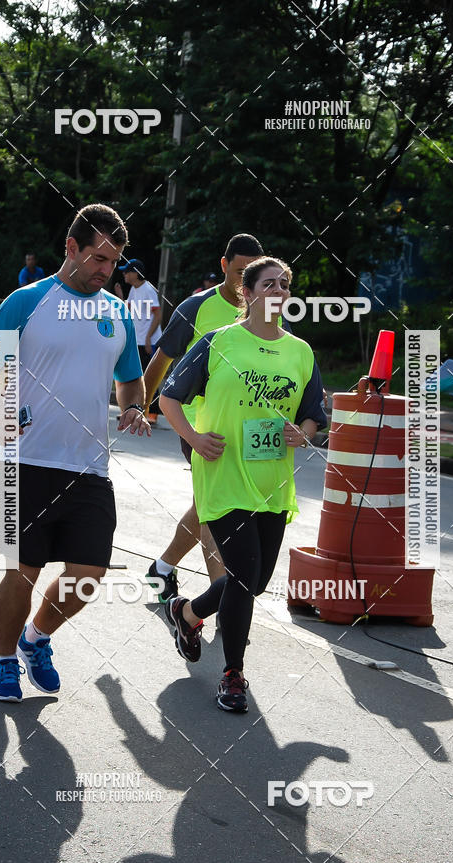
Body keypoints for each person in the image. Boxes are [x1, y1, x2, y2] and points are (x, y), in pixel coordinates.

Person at [0, 204, 150, 703]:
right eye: (97, 258)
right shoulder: (27, 301)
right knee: (20, 572)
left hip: (89, 467)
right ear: (70, 248)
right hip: (21, 464)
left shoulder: (116, 314)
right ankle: (4, 661)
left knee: (88, 577)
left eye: (112, 262)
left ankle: (36, 638)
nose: (104, 270)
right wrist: (1, 423)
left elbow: (130, 383)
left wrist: (134, 408)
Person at [159, 257, 327, 712]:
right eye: (268, 284)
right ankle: (233, 674)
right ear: (247, 293)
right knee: (243, 573)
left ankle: (187, 613)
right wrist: (193, 438)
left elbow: (315, 414)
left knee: (251, 580)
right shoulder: (219, 343)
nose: (278, 291)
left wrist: (303, 433)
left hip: (273, 482)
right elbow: (169, 396)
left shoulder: (301, 352)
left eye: (285, 285)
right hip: (223, 476)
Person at [143, 234, 263, 602]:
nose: (246, 283)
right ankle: (221, 596)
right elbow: (161, 360)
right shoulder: (195, 308)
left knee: (206, 506)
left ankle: (162, 569)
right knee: (216, 507)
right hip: (198, 425)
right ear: (224, 267)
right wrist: (138, 407)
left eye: (252, 275)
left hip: (249, 428)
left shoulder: (268, 312)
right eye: (240, 272)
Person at [120, 258, 161, 424]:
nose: (124, 274)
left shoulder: (148, 290)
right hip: (137, 339)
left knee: (149, 376)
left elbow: (158, 315)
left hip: (148, 341)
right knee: (135, 376)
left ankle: (152, 413)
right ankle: (133, 411)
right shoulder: (133, 290)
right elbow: (127, 309)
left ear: (136, 273)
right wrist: (120, 297)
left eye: (127, 271)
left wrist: (149, 338)